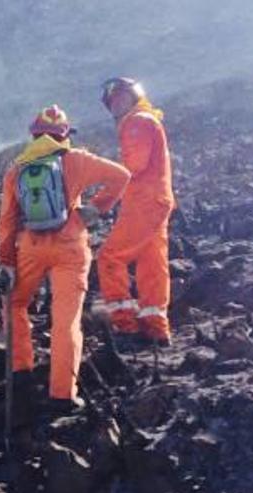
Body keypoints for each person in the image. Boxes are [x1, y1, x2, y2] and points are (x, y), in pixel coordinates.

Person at [0, 105, 130, 411]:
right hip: (70, 244)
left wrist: (6, 261)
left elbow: (6, 221)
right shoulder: (76, 160)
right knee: (65, 320)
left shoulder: (16, 168)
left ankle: (20, 371)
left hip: (29, 246)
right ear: (65, 134)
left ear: (34, 135)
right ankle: (62, 394)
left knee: (15, 303)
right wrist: (94, 210)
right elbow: (121, 176)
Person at [96, 78, 175, 346]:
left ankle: (125, 325)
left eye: (120, 97)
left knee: (110, 257)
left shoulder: (135, 122)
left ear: (134, 96)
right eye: (112, 101)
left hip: (144, 202)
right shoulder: (148, 119)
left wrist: (100, 202)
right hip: (157, 201)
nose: (116, 104)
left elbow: (133, 167)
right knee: (151, 261)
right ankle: (156, 327)